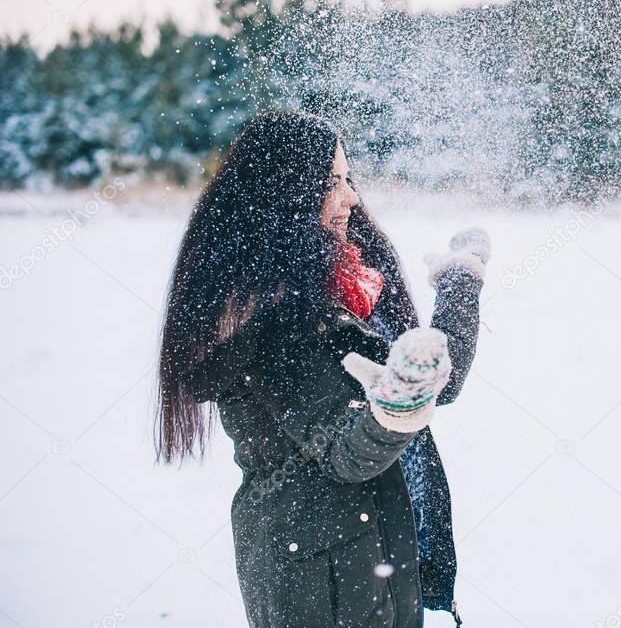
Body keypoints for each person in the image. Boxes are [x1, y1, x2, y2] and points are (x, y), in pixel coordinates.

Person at [155, 109, 489, 627]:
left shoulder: (342, 283)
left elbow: (436, 382)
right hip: (320, 585)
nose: (352, 197)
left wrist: (460, 284)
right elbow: (348, 453)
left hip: (374, 559)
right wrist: (396, 406)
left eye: (349, 179)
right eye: (332, 182)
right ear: (286, 195)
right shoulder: (265, 319)